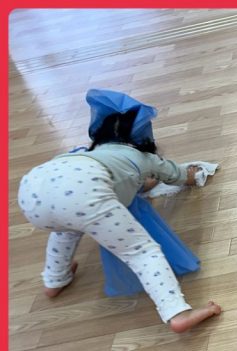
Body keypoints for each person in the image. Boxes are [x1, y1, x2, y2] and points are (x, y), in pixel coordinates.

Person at [17, 88, 221, 333]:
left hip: (32, 192)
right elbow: (176, 175)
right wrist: (193, 175)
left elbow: (128, 183)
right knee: (142, 251)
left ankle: (54, 280)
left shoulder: (84, 153)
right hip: (84, 194)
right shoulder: (142, 157)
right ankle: (177, 313)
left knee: (66, 230)